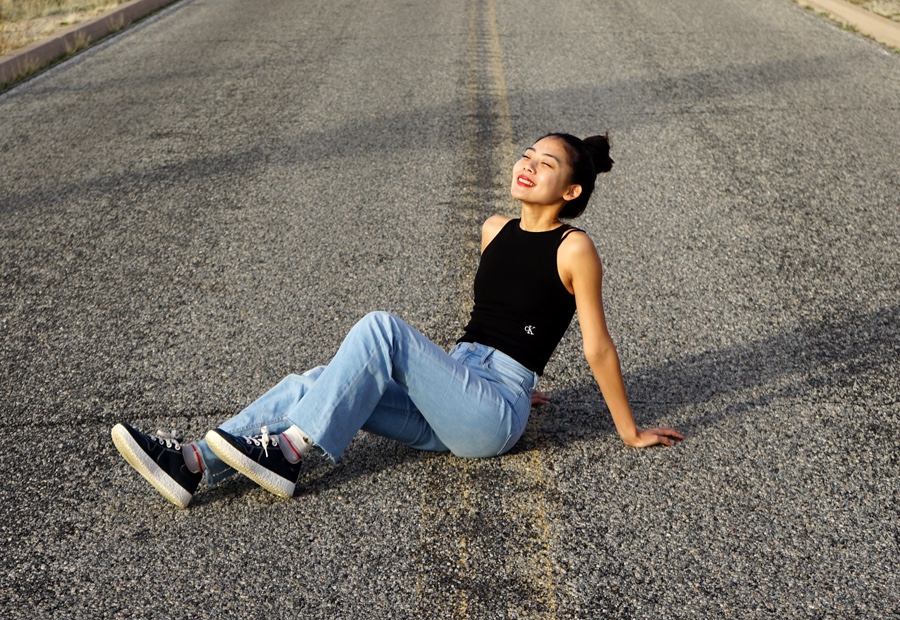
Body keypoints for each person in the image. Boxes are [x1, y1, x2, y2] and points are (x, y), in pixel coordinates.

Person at [112, 131, 683, 509]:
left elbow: (597, 348)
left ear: (572, 189)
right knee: (311, 381)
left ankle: (290, 451)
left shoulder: (575, 247)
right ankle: (192, 464)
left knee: (381, 328)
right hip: (463, 391)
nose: (528, 166)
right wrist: (478, 376)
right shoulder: (493, 230)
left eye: (547, 164)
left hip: (492, 416)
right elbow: (500, 319)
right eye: (527, 156)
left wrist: (625, 430)